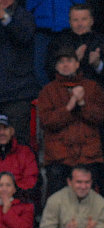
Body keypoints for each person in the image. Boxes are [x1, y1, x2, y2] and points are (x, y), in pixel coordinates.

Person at [37, 45, 104, 196]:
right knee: (57, 201)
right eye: (61, 62)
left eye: (69, 60)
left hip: (88, 156)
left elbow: (101, 117)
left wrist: (82, 103)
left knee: (91, 201)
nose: (65, 65)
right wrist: (69, 107)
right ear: (56, 67)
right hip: (59, 158)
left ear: (77, 64)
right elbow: (46, 121)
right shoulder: (48, 91)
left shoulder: (92, 87)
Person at [47, 3, 104, 83]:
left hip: (96, 88)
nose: (79, 24)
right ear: (69, 22)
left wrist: (98, 64)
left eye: (84, 19)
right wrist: (73, 61)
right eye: (75, 20)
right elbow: (50, 71)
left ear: (92, 21)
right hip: (66, 87)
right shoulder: (59, 43)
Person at [0, 0, 38, 148]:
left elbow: (24, 36)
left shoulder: (24, 16)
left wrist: (4, 18)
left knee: (19, 143)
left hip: (17, 94)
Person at [0, 113, 39, 206]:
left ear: (12, 131)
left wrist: (12, 192)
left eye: (5, 128)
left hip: (18, 201)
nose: (2, 133)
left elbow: (31, 180)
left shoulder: (25, 152)